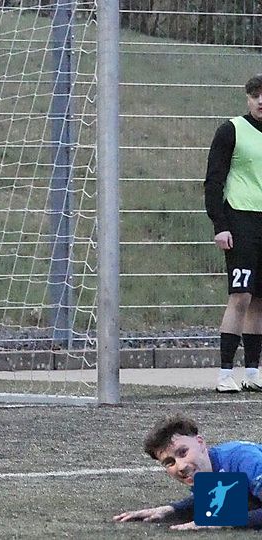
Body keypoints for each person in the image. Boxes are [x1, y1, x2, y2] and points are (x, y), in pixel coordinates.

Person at [204, 74, 262, 393]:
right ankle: (225, 373)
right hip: (241, 221)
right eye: (255, 95)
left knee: (259, 300)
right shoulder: (231, 130)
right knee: (240, 296)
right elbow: (214, 180)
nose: (261, 100)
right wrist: (220, 224)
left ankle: (252, 372)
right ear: (248, 98)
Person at [112, 414, 262, 531]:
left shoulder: (246, 459)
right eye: (169, 462)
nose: (181, 466)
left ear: (200, 443)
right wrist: (171, 510)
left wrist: (226, 521)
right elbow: (227, 502)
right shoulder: (209, 470)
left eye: (183, 452)